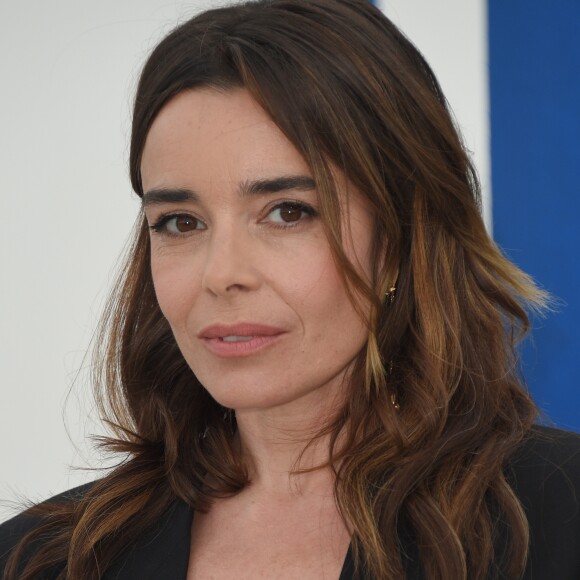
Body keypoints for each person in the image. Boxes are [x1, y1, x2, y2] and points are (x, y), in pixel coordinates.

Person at [1, 0, 579, 578]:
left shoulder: (562, 516)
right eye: (181, 221)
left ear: (402, 236)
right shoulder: (40, 557)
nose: (221, 273)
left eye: (287, 212)